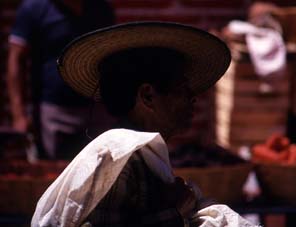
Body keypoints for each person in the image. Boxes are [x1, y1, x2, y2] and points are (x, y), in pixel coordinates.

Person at [31, 22, 258, 227]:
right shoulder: (120, 157)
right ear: (148, 96)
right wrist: (177, 212)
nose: (193, 98)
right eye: (181, 90)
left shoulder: (145, 156)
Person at [6, 0, 116, 159]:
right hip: (54, 113)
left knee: (100, 171)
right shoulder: (34, 8)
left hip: (96, 110)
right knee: (56, 174)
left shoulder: (100, 8)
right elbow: (15, 59)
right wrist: (18, 115)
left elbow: (110, 56)